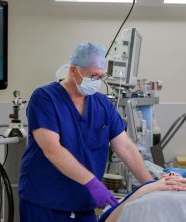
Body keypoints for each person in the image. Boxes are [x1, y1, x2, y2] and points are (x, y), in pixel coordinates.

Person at [18, 42, 153, 222]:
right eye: (93, 76)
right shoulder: (44, 98)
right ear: (74, 70)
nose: (96, 81)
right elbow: (52, 150)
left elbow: (125, 147)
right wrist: (91, 182)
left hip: (84, 204)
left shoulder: (102, 104)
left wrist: (151, 186)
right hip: (45, 202)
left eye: (101, 77)